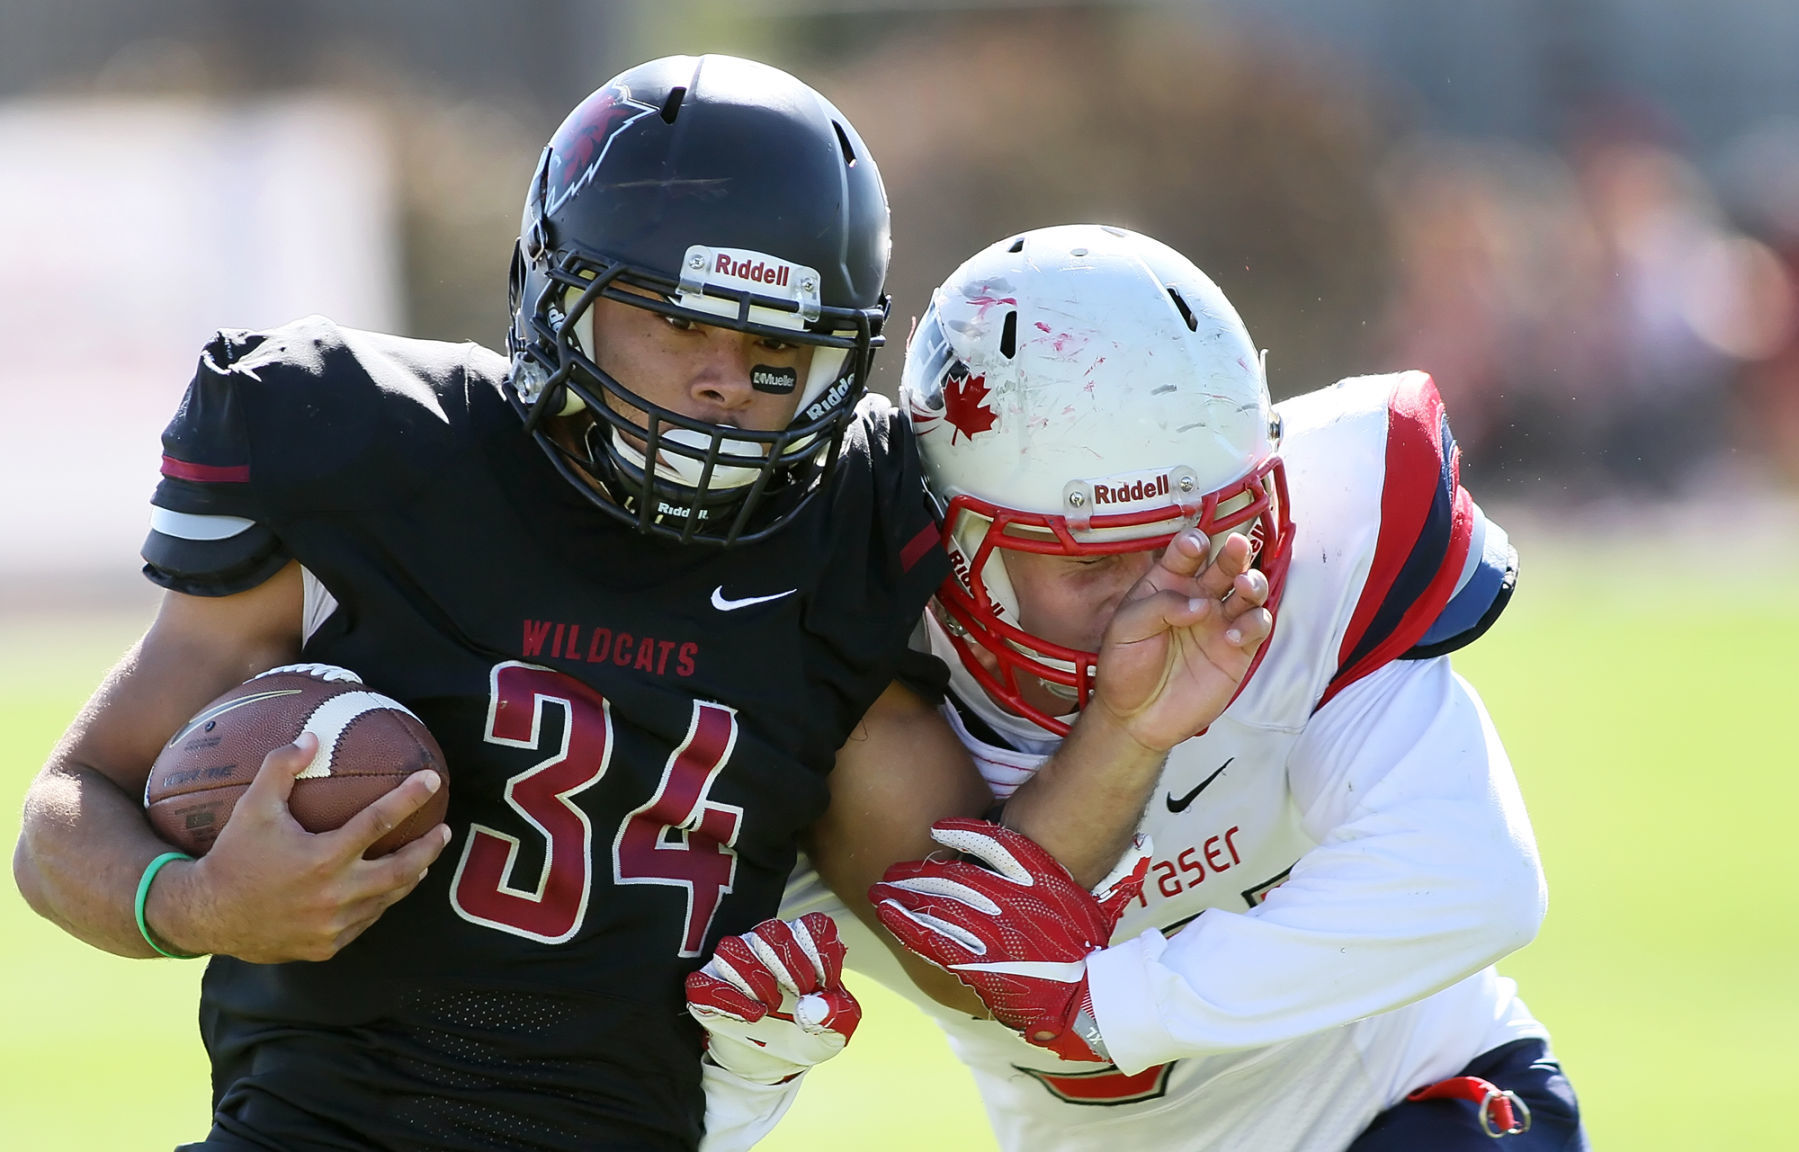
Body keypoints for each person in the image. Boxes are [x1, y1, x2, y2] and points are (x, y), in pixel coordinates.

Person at [10, 58, 1270, 1152]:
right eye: (676, 323)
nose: (724, 384)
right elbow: (65, 819)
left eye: (779, 353)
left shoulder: (845, 535)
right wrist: (193, 906)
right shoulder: (361, 449)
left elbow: (967, 932)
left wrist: (1126, 730)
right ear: (559, 290)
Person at [785, 224, 1589, 1150]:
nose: (1160, 591)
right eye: (1093, 565)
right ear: (957, 556)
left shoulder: (1310, 565)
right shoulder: (861, 692)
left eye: (1206, 530)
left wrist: (1110, 1005)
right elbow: (958, 964)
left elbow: (1471, 879)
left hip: (1410, 1104)